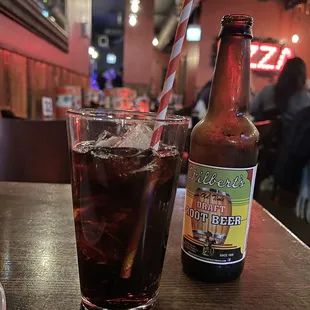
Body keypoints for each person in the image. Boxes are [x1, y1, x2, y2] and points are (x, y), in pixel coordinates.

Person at [249, 57, 310, 128]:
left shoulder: (268, 90)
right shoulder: (305, 99)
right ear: (303, 76)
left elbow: (251, 109)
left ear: (284, 71)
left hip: (267, 136)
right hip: (293, 138)